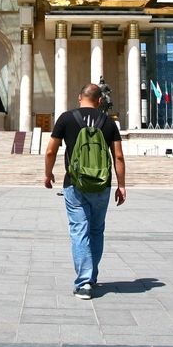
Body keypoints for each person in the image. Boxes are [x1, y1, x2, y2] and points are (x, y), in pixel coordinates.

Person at [44, 83, 127, 300]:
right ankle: (91, 276)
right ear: (100, 101)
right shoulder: (109, 122)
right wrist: (121, 185)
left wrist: (48, 174)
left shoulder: (66, 118)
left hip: (75, 183)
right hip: (102, 184)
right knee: (96, 231)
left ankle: (84, 283)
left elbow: (51, 150)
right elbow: (118, 156)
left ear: (79, 97)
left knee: (79, 230)